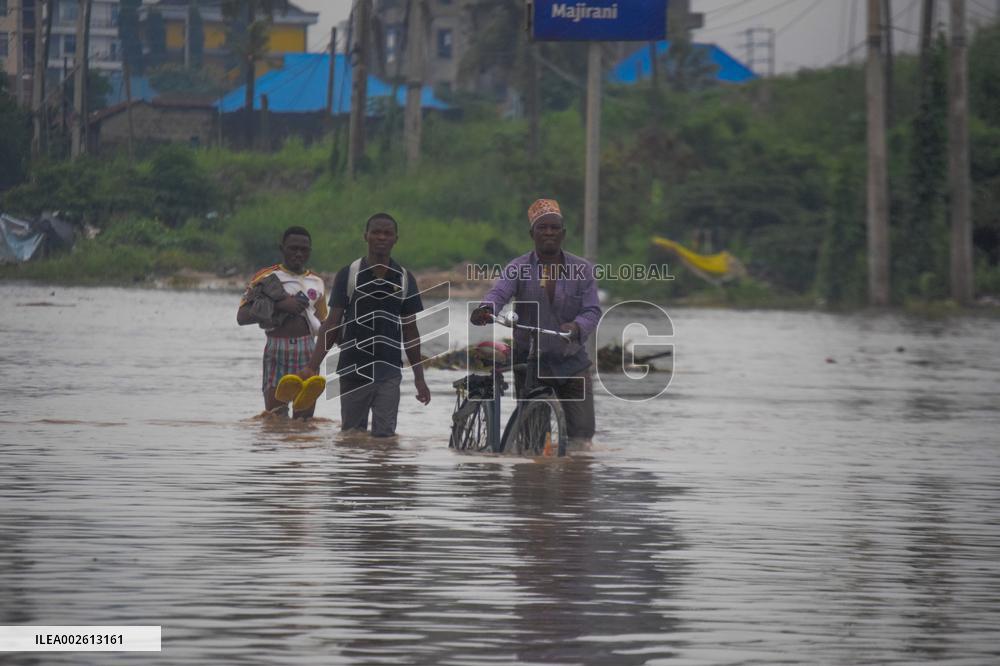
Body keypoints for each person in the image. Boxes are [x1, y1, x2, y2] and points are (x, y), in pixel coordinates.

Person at [471, 198, 601, 444]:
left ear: (563, 233)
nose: (549, 232)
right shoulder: (518, 267)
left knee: (582, 436)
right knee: (533, 437)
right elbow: (498, 294)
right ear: (532, 233)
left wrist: (576, 327)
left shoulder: (582, 269)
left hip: (571, 362)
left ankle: (574, 478)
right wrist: (485, 310)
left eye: (554, 227)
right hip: (530, 363)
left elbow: (592, 310)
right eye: (543, 228)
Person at [301, 213, 431, 437]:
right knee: (352, 435)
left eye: (387, 233)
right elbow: (332, 324)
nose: (381, 237)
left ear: (395, 239)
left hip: (389, 371)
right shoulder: (349, 274)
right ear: (366, 236)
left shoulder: (404, 278)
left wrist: (419, 378)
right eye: (376, 232)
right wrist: (312, 366)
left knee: (385, 438)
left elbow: (410, 331)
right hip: (353, 370)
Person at [237, 226, 328, 418]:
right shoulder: (266, 277)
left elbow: (323, 322)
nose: (298, 253)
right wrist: (280, 306)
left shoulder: (317, 282)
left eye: (303, 250)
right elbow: (242, 317)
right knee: (274, 417)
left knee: (304, 420)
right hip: (276, 348)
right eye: (293, 248)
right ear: (282, 248)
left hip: (308, 350)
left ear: (309, 252)